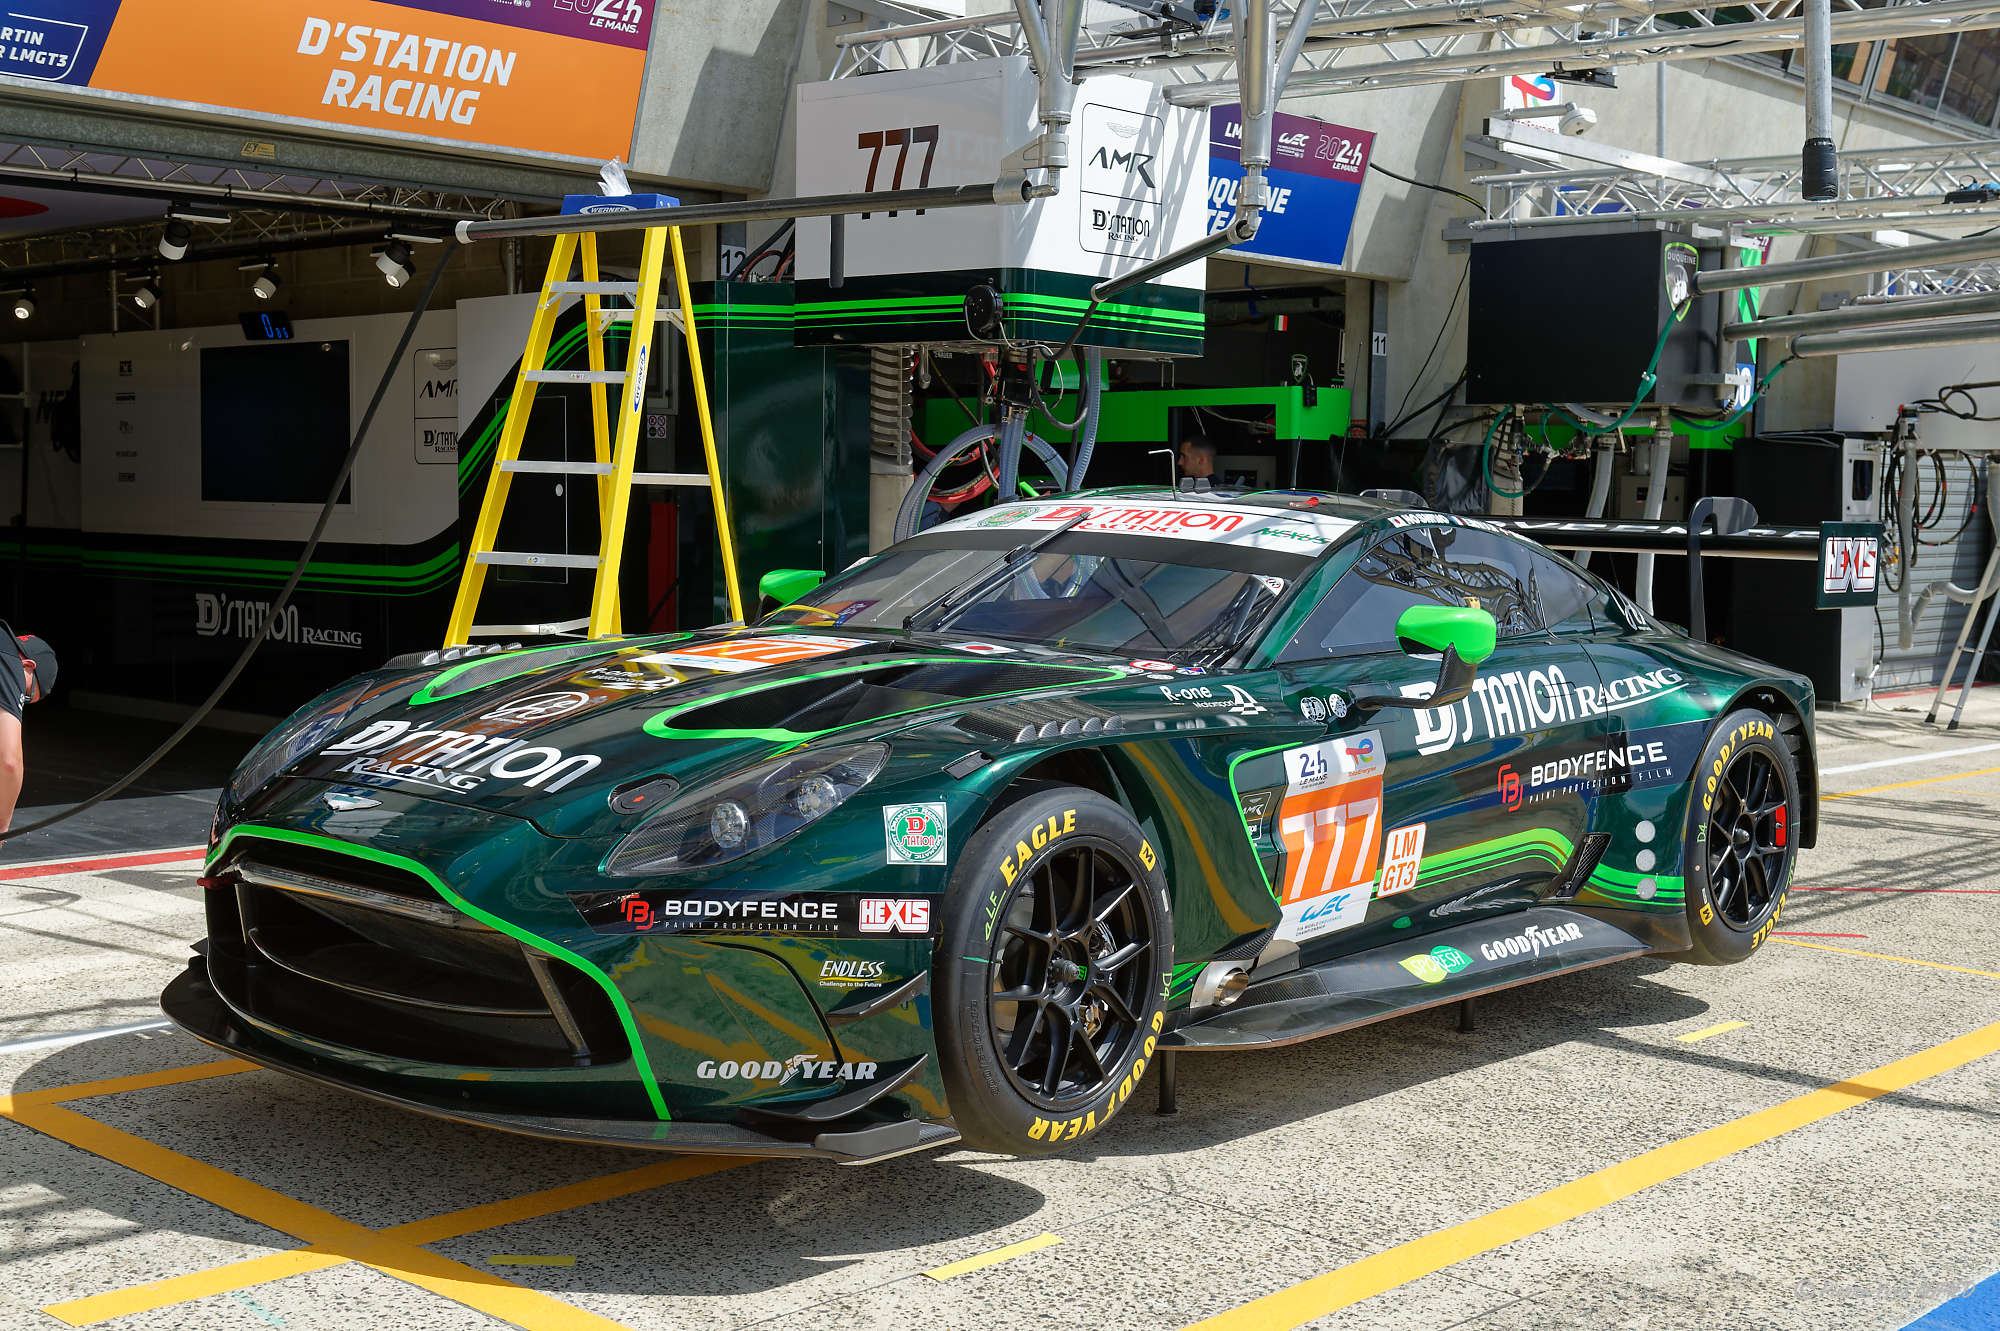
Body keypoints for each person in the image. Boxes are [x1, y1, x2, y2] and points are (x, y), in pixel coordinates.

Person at [0, 631, 56, 838]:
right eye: (26, 696)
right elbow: (9, 762)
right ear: (28, 666)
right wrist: (2, 828)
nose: (19, 701)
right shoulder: (8, 661)